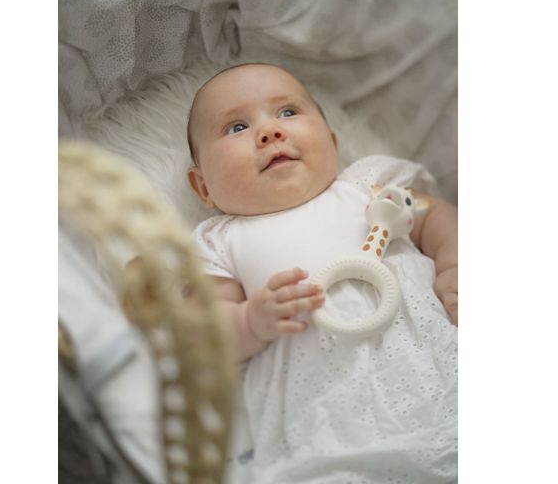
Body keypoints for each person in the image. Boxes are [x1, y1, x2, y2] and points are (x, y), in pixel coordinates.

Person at [187, 63, 458, 483]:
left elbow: (435, 214)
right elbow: (201, 331)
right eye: (237, 127)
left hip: (432, 358)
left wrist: (454, 265)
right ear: (203, 186)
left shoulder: (365, 188)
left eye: (288, 112)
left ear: (332, 143)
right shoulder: (220, 241)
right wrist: (248, 321)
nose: (269, 132)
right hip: (326, 408)